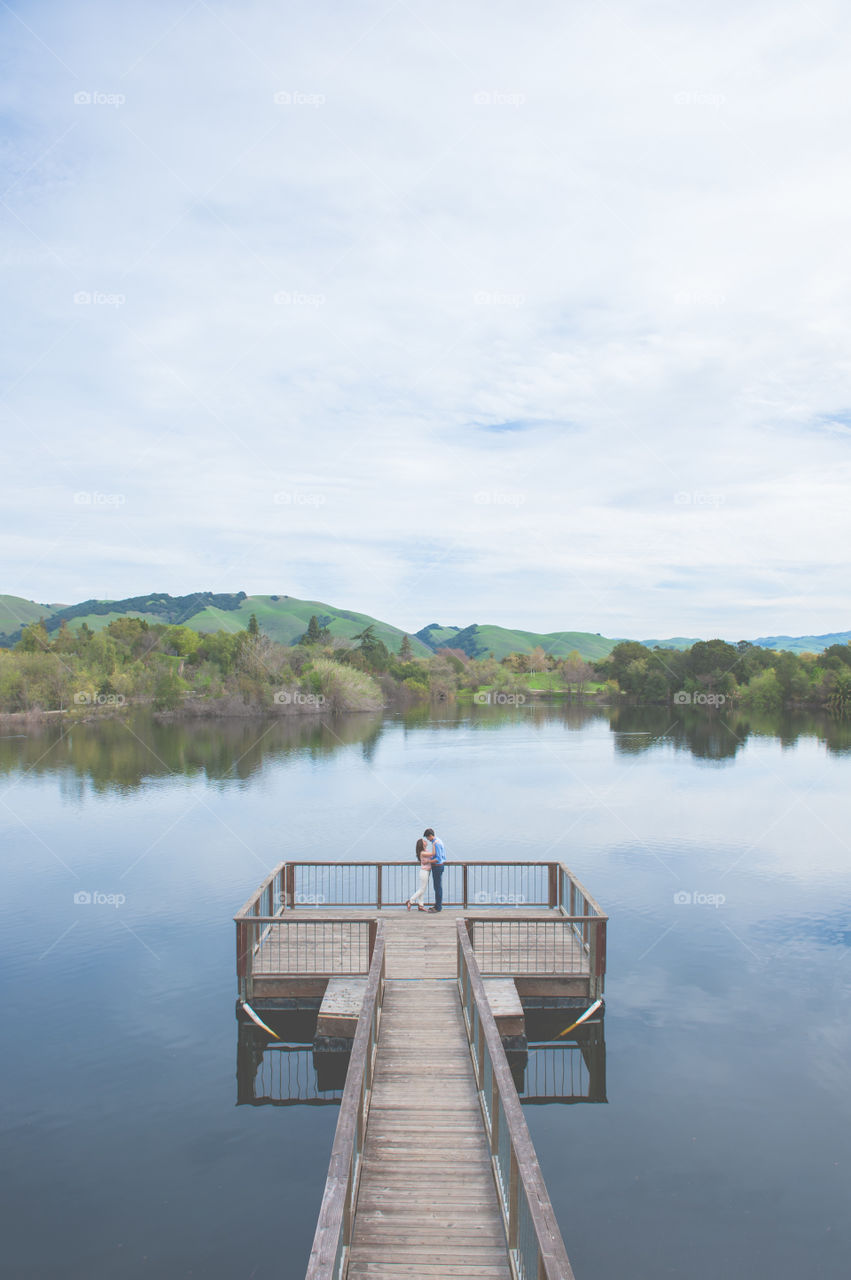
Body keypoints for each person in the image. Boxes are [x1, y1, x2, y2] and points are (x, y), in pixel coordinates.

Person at [406, 838, 433, 911]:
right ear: (422, 844)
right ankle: (411, 901)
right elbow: (433, 854)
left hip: (426, 872)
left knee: (422, 889)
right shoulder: (422, 852)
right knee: (422, 889)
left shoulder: (425, 851)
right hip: (424, 872)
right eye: (424, 841)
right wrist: (435, 844)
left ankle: (421, 905)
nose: (426, 841)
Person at [423, 827, 446, 912]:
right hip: (438, 866)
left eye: (427, 837)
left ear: (430, 836)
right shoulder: (438, 841)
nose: (427, 839)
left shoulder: (436, 843)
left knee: (437, 887)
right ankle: (437, 905)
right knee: (437, 886)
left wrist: (428, 861)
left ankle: (438, 907)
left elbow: (438, 858)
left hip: (437, 866)